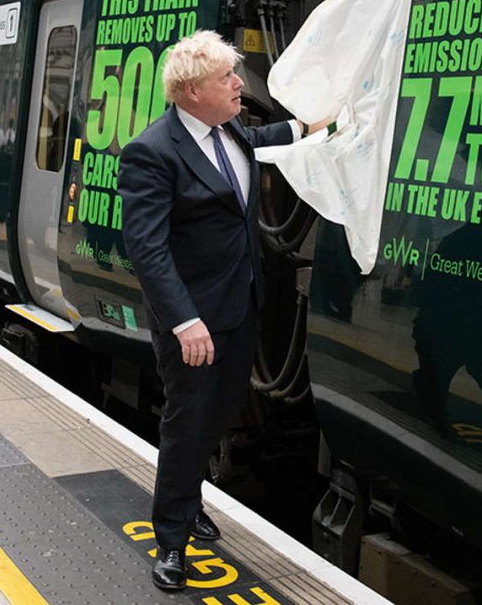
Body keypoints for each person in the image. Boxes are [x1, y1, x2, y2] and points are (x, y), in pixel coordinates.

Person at [117, 31, 331, 591]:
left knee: (220, 413)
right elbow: (148, 247)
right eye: (227, 79)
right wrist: (185, 321)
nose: (240, 85)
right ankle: (171, 539)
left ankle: (189, 499)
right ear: (191, 92)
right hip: (193, 320)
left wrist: (317, 125)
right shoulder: (152, 152)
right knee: (188, 424)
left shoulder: (227, 128)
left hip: (239, 307)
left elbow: (261, 138)